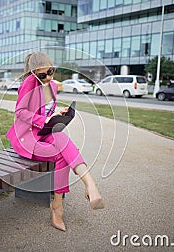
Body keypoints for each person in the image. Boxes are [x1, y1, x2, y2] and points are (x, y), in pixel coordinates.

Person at [6, 52, 104, 232]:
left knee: (61, 138)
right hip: (27, 138)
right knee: (62, 154)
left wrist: (56, 114)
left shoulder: (51, 85)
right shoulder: (29, 84)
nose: (48, 77)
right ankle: (60, 205)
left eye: (51, 71)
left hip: (43, 132)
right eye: (42, 75)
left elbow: (44, 110)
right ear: (33, 74)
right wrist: (42, 121)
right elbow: (20, 112)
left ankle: (86, 185)